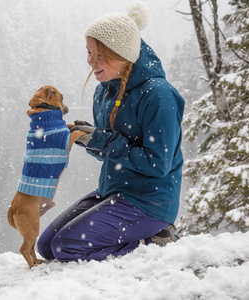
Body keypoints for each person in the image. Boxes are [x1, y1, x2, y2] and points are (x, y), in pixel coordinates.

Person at [37, 2, 184, 262]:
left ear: (120, 52)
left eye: (97, 53)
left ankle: (153, 240)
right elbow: (109, 151)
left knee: (66, 247)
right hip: (114, 192)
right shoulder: (104, 92)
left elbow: (158, 163)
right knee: (47, 246)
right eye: (88, 52)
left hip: (150, 204)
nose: (90, 61)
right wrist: (87, 137)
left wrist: (102, 141)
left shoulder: (158, 95)